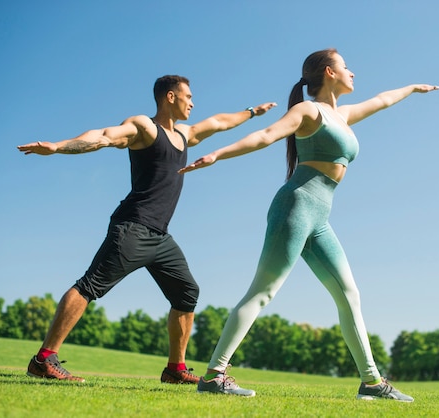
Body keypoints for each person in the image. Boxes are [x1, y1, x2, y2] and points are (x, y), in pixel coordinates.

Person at [179, 49, 439, 400]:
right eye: (346, 66)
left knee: (349, 295)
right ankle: (214, 374)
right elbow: (265, 135)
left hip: (320, 217)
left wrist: (411, 88)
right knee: (263, 291)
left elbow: (381, 100)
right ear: (330, 72)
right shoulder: (308, 111)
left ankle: (373, 382)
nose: (353, 72)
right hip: (295, 207)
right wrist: (216, 155)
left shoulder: (342, 114)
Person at [17, 75, 276, 384]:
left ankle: (175, 370)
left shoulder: (185, 134)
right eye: (188, 97)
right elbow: (103, 136)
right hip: (133, 227)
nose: (192, 103)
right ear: (170, 97)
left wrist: (251, 112)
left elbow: (220, 122)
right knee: (90, 286)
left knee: (187, 293)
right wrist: (58, 147)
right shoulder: (144, 127)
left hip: (160, 236)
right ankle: (44, 359)